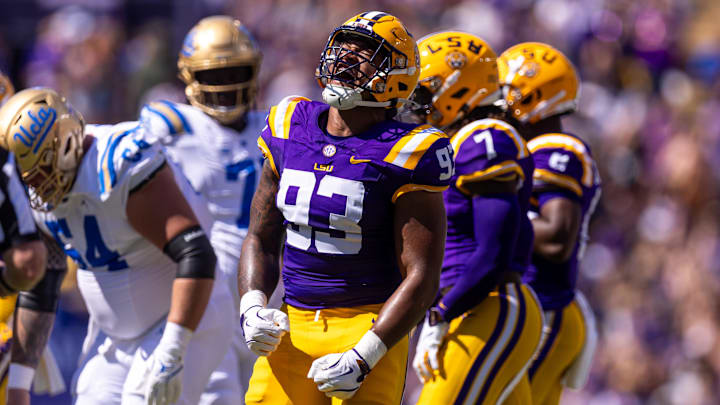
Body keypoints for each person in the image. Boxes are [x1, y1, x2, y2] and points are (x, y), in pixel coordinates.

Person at [238, 11, 450, 405]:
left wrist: (365, 355)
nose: (346, 58)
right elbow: (261, 236)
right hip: (293, 322)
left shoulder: (410, 151)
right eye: (344, 46)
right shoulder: (290, 123)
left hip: (368, 327)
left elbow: (422, 275)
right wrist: (252, 306)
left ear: (398, 75)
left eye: (366, 52)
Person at [0, 87, 234, 405]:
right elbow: (42, 284)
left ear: (64, 143)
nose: (33, 188)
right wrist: (19, 384)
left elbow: (196, 254)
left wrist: (173, 348)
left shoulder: (117, 163)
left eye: (37, 174)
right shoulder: (40, 191)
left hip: (183, 322)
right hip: (114, 339)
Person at [401, 32, 543, 405]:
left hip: (490, 305)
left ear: (458, 89)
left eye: (426, 92)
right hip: (472, 306)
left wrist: (440, 315)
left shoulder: (484, 137)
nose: (418, 105)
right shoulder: (460, 142)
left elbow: (494, 250)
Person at [139, 15, 265, 404]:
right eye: (214, 76)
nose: (226, 87)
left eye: (236, 73)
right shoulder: (171, 125)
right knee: (216, 395)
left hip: (268, 283)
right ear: (189, 76)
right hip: (207, 284)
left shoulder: (276, 123)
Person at [497, 42, 601, 405]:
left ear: (532, 96)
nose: (497, 102)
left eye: (505, 91)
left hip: (545, 308)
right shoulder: (521, 149)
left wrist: (488, 221)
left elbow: (557, 237)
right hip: (534, 307)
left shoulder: (555, 149)